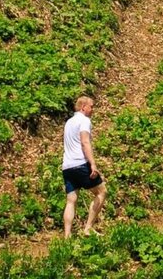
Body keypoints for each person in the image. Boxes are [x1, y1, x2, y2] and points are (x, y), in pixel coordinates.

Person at [61, 96, 105, 237]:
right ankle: (88, 228)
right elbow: (85, 142)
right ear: (83, 107)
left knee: (71, 201)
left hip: (67, 166)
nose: (92, 109)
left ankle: (67, 237)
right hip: (80, 163)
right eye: (91, 106)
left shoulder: (69, 122)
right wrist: (93, 164)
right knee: (101, 192)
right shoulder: (84, 121)